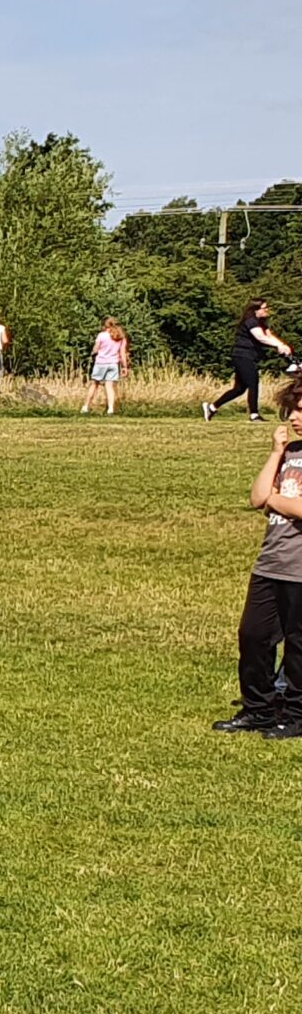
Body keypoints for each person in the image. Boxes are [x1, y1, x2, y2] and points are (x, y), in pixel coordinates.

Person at [216, 376, 302, 738]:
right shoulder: (291, 454)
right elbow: (256, 497)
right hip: (271, 563)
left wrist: (276, 500)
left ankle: (297, 715)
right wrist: (275, 452)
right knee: (253, 635)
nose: (295, 417)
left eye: (301, 409)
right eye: (292, 409)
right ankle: (258, 710)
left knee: (299, 646)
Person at [207, 301, 293, 423]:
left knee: (239, 389)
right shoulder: (251, 321)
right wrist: (278, 345)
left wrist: (282, 345)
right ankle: (254, 415)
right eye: (264, 308)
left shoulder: (261, 323)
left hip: (249, 356)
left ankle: (211, 408)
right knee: (253, 382)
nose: (267, 310)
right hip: (242, 355)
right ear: (255, 310)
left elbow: (268, 336)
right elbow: (260, 337)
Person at [81, 318, 130, 416]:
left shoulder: (101, 335)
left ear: (106, 325)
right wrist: (125, 367)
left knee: (94, 384)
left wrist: (93, 353)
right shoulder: (120, 337)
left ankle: (86, 407)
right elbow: (122, 353)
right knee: (109, 386)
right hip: (113, 364)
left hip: (101, 363)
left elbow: (96, 348)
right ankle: (110, 409)